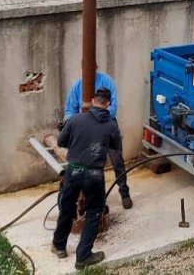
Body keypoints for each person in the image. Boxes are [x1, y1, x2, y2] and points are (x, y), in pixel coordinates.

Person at [51, 88, 122, 268]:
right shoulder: (111, 124)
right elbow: (116, 147)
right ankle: (83, 257)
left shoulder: (76, 119)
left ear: (92, 101)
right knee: (93, 213)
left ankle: (59, 246)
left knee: (66, 208)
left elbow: (60, 142)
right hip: (94, 174)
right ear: (108, 104)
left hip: (73, 171)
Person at [62, 72, 132, 208]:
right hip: (85, 128)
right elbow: (70, 110)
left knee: (117, 160)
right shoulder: (77, 86)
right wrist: (78, 123)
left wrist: (97, 118)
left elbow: (113, 108)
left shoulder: (107, 82)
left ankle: (124, 193)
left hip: (107, 124)